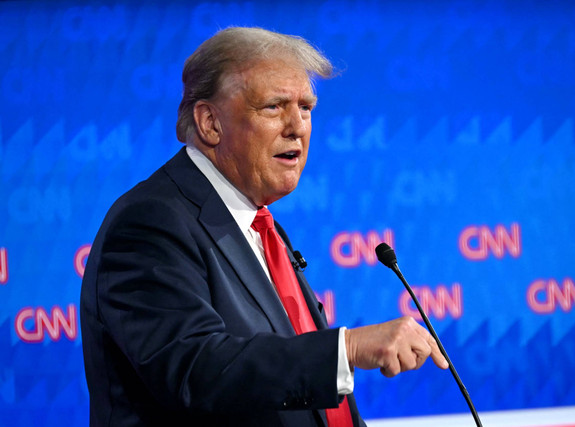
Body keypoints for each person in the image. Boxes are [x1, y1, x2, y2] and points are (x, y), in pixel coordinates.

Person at [80, 26, 448, 427]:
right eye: (274, 107)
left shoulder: (258, 224)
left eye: (306, 108)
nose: (298, 126)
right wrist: (348, 347)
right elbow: (194, 370)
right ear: (209, 123)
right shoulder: (151, 222)